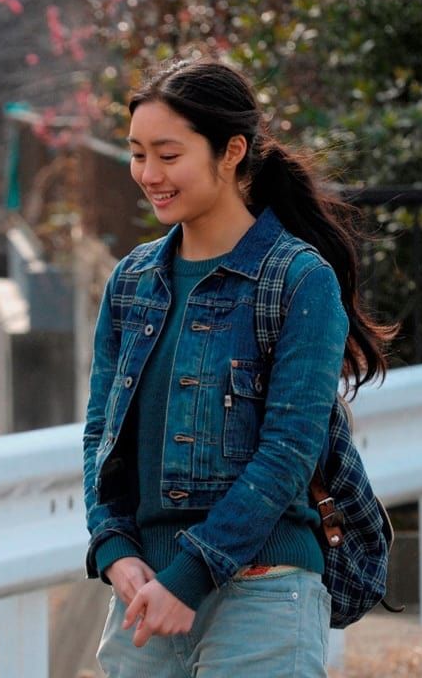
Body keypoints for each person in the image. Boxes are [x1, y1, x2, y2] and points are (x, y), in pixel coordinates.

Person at [82, 59, 393, 677]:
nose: (148, 174)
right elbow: (101, 434)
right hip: (145, 601)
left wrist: (191, 575)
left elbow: (289, 451)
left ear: (231, 152)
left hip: (263, 595)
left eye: (168, 155)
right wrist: (112, 544)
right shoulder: (132, 281)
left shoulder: (297, 279)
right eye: (138, 155)